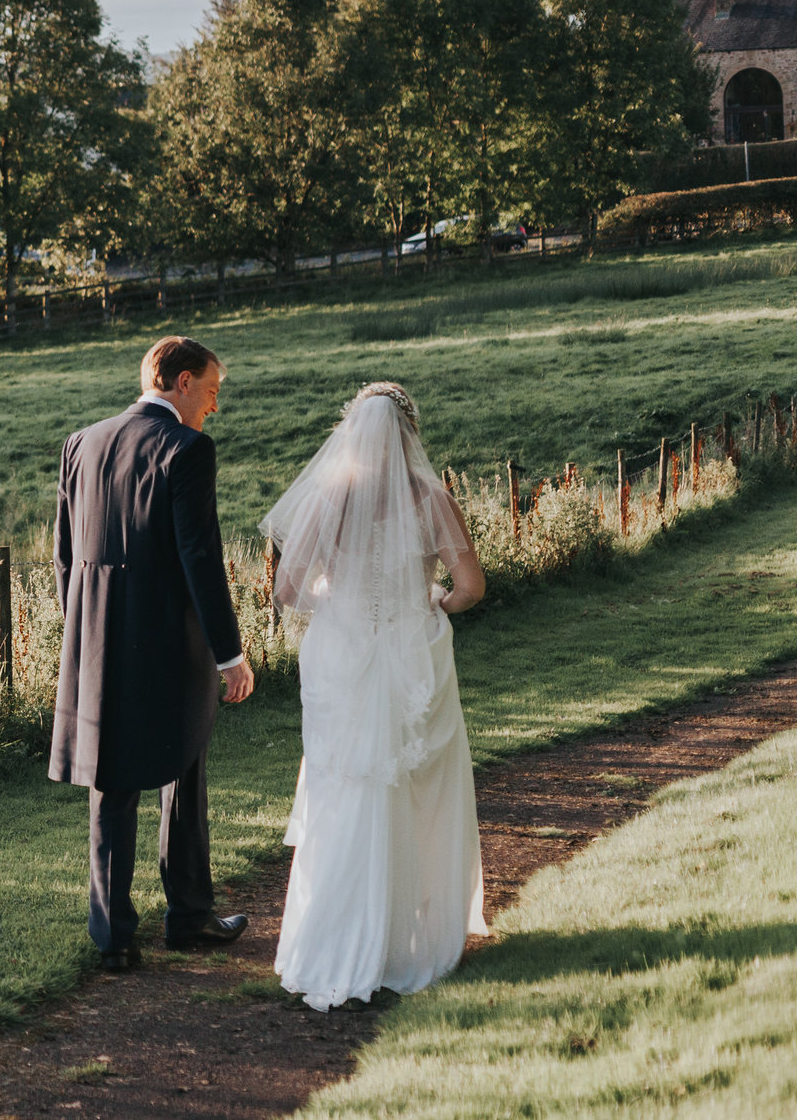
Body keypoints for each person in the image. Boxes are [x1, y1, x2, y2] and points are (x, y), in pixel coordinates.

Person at [263, 382, 487, 1011]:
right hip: (411, 655)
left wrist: (343, 607)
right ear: (410, 435)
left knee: (343, 790)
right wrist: (435, 601)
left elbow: (287, 590)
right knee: (416, 789)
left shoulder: (331, 499)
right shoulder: (431, 498)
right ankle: (407, 941)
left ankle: (329, 940)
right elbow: (470, 586)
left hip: (344, 658)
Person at [50, 335, 254, 973]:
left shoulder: (82, 442)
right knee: (183, 766)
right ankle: (189, 916)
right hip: (168, 638)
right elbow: (200, 556)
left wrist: (79, 628)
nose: (213, 409)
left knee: (111, 784)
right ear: (184, 381)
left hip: (94, 641)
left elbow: (63, 554)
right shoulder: (187, 449)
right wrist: (230, 655)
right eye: (213, 393)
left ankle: (114, 939)